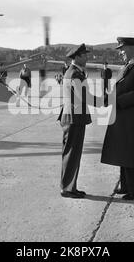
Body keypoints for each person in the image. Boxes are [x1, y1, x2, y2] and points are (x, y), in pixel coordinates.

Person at [101, 37, 134, 200]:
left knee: (131, 153)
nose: (121, 52)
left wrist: (118, 100)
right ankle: (126, 185)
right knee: (124, 151)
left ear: (130, 48)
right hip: (124, 116)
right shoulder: (128, 66)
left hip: (132, 117)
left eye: (122, 49)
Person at [57, 44, 97, 199]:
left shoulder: (74, 72)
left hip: (74, 116)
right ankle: (67, 188)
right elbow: (84, 96)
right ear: (78, 56)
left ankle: (70, 186)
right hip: (74, 117)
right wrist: (105, 101)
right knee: (72, 153)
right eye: (85, 55)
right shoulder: (74, 74)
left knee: (73, 153)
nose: (87, 58)